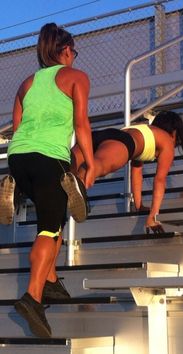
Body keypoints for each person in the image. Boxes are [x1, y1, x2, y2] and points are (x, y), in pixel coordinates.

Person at [0, 23, 95, 338]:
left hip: (19, 155)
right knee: (49, 227)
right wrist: (90, 164)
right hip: (50, 156)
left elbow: (16, 125)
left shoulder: (26, 84)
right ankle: (32, 297)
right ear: (66, 50)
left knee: (53, 216)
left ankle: (51, 280)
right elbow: (81, 125)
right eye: (74, 52)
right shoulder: (76, 77)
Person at [71, 110, 183, 233]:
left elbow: (136, 171)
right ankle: (79, 180)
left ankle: (67, 183)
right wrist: (153, 215)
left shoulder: (144, 131)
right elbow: (160, 180)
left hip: (102, 135)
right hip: (122, 142)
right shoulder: (167, 141)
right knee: (100, 165)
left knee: (67, 169)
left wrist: (138, 206)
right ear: (174, 133)